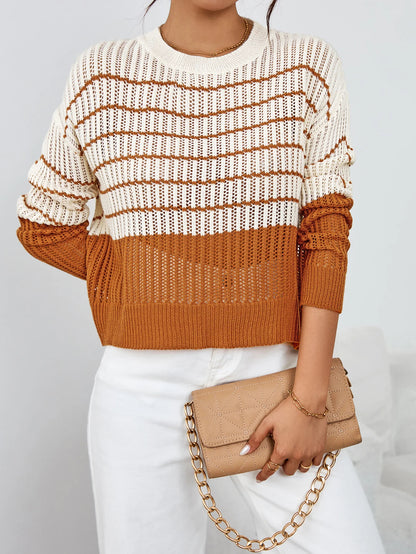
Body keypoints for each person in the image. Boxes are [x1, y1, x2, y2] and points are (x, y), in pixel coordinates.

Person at [15, 1, 386, 552]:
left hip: (277, 375)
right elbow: (43, 224)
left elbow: (325, 234)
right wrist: (144, 283)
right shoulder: (101, 74)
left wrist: (309, 400)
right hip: (140, 386)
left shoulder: (307, 65)